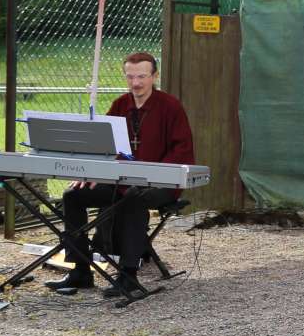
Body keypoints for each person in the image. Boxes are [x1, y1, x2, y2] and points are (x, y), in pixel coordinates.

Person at [49, 51, 195, 299]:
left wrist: (147, 174)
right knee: (73, 195)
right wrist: (91, 171)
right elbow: (102, 145)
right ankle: (80, 269)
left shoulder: (171, 107)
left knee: (134, 199)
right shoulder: (120, 105)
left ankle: (128, 275)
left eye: (142, 76)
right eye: (130, 77)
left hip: (161, 182)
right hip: (121, 181)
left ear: (154, 76)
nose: (136, 83)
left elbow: (182, 151)